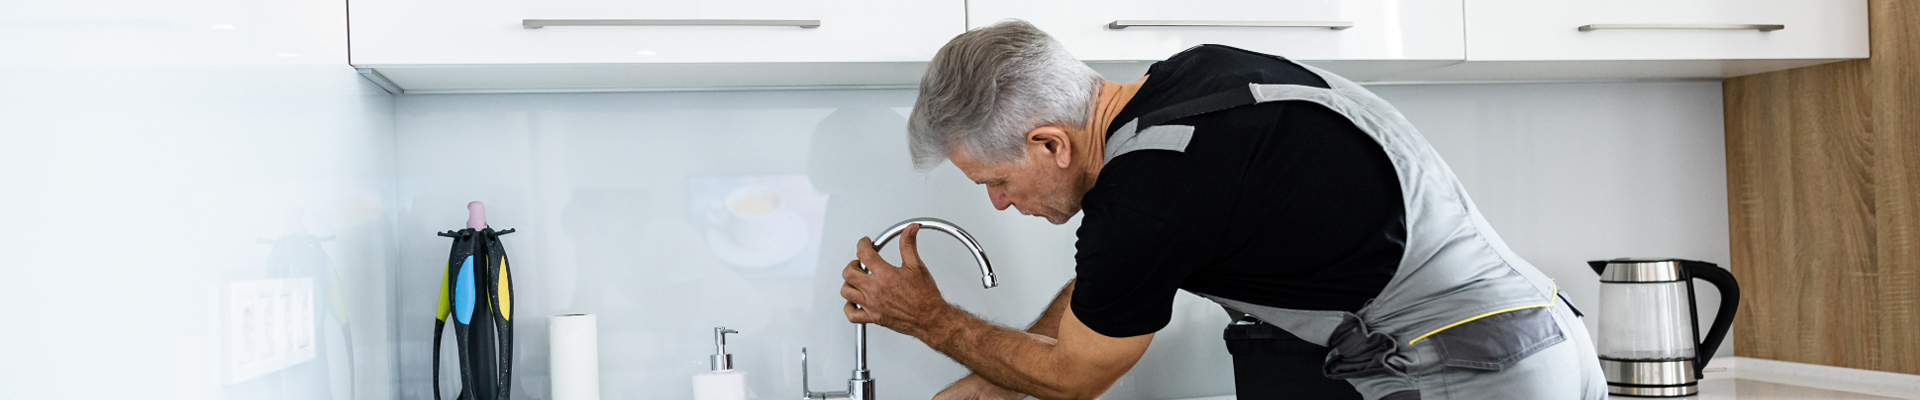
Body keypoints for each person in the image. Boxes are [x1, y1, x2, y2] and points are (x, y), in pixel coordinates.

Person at [838, 20, 1607, 400]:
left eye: (993, 182)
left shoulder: (1148, 192)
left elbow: (1078, 372)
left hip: (1469, 370)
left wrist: (930, 320)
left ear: (1049, 143)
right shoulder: (1183, 90)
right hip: (1540, 342)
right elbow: (1115, 292)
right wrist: (987, 383)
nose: (1001, 204)